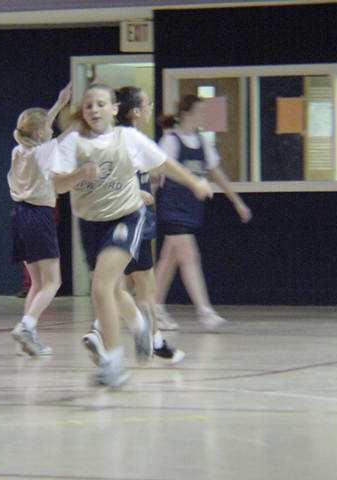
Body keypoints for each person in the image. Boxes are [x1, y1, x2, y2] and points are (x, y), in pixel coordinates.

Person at [52, 83, 212, 387]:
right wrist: (80, 174)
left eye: (101, 104)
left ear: (114, 109)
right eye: (88, 105)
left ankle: (113, 363)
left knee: (101, 287)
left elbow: (164, 163)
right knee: (113, 290)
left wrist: (194, 182)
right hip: (91, 222)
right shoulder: (73, 142)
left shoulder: (128, 138)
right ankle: (140, 326)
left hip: (126, 217)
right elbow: (58, 185)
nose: (94, 110)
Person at [81, 86, 185, 366]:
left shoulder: (114, 137)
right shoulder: (127, 139)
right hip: (131, 217)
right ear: (136, 111)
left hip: (124, 216)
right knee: (141, 283)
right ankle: (144, 339)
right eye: (148, 103)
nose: (151, 107)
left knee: (119, 283)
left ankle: (119, 334)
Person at [154, 94, 252, 331]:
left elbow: (217, 174)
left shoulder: (202, 143)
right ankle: (204, 311)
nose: (204, 116)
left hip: (191, 209)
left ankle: (153, 308)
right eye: (200, 111)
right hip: (172, 208)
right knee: (190, 256)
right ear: (186, 114)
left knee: (169, 259)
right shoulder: (170, 141)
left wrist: (237, 202)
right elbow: (157, 172)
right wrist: (146, 202)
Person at [8, 82, 72, 356]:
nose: (52, 129)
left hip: (19, 216)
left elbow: (41, 129)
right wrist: (84, 116)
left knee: (36, 282)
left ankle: (27, 337)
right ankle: (26, 327)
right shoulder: (44, 152)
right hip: (38, 215)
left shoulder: (19, 149)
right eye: (48, 128)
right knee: (53, 282)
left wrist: (59, 103)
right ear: (39, 134)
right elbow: (68, 134)